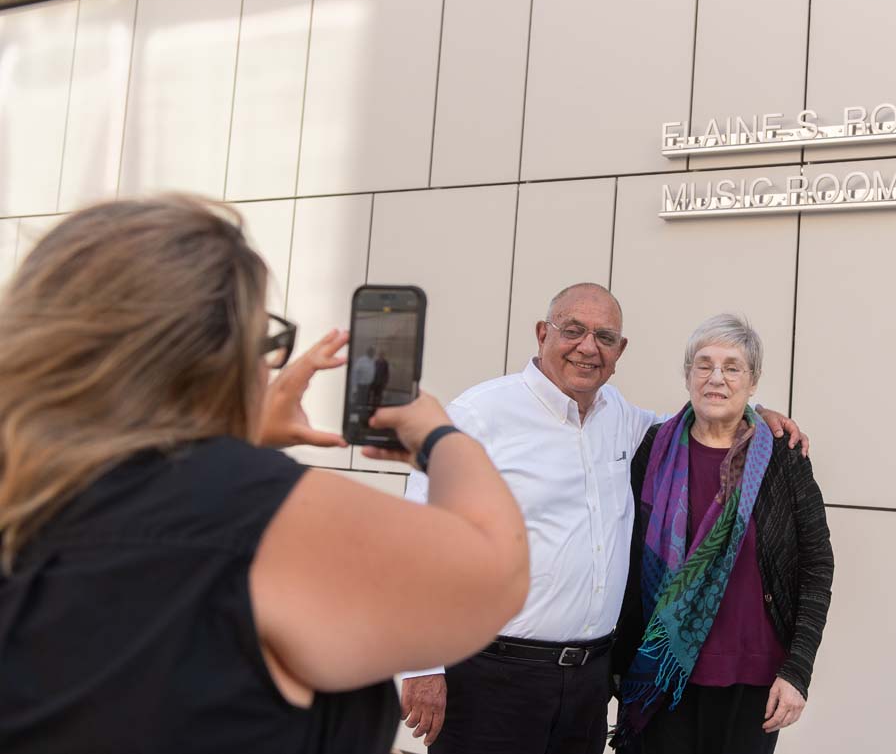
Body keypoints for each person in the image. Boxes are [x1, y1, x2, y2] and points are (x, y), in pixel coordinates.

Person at [0, 195, 529, 754]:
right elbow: (496, 571)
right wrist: (439, 438)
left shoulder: (28, 487)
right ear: (219, 354)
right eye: (266, 342)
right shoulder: (254, 510)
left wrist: (238, 435)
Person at [391, 283, 809, 754]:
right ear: (542, 334)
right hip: (494, 675)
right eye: (573, 330)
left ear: (619, 351)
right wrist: (421, 665)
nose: (588, 347)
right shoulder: (479, 414)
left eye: (605, 337)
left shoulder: (625, 421)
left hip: (588, 684)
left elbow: (705, 419)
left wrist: (757, 413)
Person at [610, 314, 834, 754]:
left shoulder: (782, 457)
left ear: (753, 382)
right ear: (687, 374)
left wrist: (798, 670)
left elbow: (816, 564)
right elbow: (628, 560)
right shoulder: (653, 449)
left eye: (733, 367)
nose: (716, 378)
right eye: (704, 364)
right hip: (661, 670)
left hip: (753, 682)